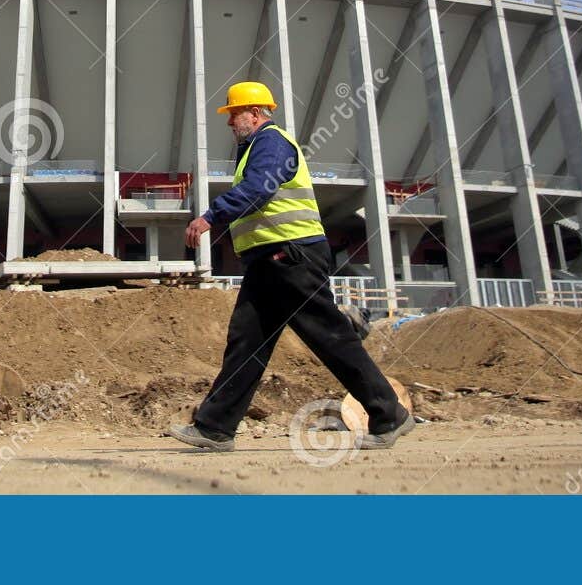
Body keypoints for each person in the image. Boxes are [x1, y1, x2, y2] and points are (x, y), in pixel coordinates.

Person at [168, 81, 414, 453]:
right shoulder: (254, 147)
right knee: (246, 342)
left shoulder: (271, 142)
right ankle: (215, 427)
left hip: (291, 257)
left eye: (234, 114)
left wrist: (209, 217)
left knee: (328, 337)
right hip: (270, 262)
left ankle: (388, 413)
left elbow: (259, 190)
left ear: (254, 113)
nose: (230, 123)